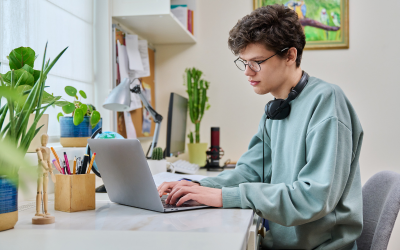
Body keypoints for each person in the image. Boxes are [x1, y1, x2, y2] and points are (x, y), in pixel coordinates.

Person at [157, 4, 363, 250]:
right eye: (243, 62)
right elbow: (249, 172)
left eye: (256, 62)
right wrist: (198, 187)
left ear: (290, 55)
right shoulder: (276, 109)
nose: (247, 72)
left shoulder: (327, 101)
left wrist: (225, 197)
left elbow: (313, 198)